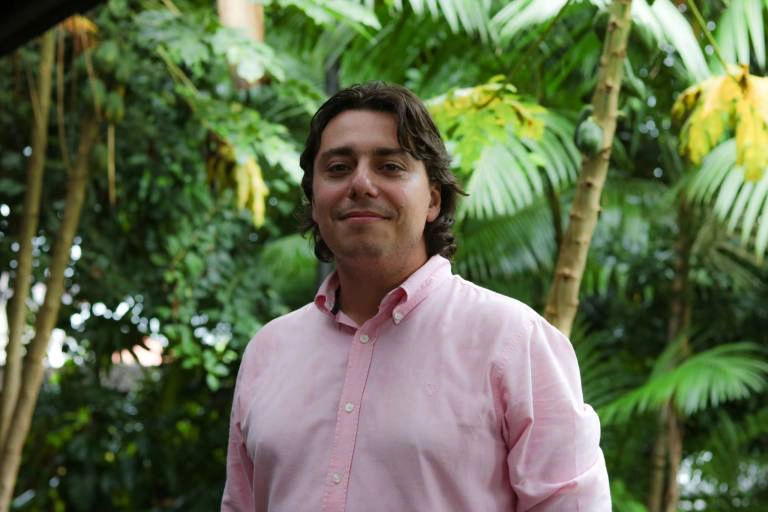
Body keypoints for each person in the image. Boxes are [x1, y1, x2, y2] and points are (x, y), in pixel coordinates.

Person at [221, 82, 611, 512]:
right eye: (338, 167)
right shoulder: (268, 352)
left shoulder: (513, 341)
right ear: (314, 200)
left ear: (433, 200)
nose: (361, 183)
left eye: (390, 166)